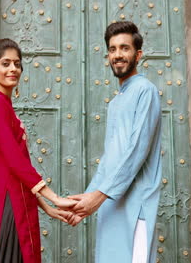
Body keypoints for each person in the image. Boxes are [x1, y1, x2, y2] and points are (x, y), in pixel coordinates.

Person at [67, 22, 163, 263]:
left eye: (124, 48)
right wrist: (85, 201)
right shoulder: (116, 101)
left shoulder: (145, 91)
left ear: (138, 54)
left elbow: (135, 153)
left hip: (136, 206)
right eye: (112, 49)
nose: (118, 55)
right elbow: (111, 159)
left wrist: (97, 197)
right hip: (110, 207)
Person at [0, 38, 77, 263]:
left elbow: (17, 169)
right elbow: (14, 160)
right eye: (5, 63)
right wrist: (55, 198)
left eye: (17, 64)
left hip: (15, 199)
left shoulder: (3, 106)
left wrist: (47, 207)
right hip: (5, 204)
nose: (13, 69)